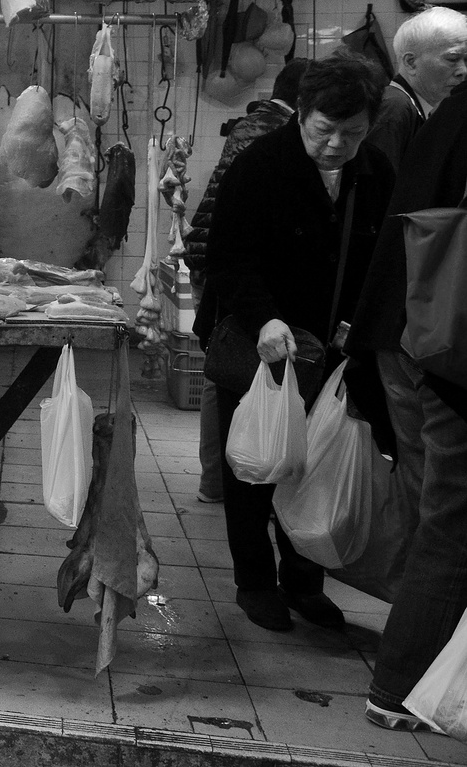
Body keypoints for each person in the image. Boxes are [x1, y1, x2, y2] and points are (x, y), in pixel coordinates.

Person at [199, 55, 394, 633]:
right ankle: (254, 582)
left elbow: (383, 263)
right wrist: (263, 319)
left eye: (352, 133)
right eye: (323, 130)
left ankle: (304, 581)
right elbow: (229, 256)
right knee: (254, 466)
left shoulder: (376, 171)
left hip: (333, 350)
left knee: (313, 464)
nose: (336, 144)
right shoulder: (259, 165)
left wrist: (364, 327)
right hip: (263, 345)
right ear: (302, 114)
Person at [349, 82, 467, 731]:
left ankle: (410, 662)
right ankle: (404, 684)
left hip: (415, 330)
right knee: (450, 517)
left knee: (434, 508)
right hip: (447, 346)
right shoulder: (411, 112)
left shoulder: (449, 111)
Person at [184, 58, 310, 504]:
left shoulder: (252, 125)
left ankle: (227, 477)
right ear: (304, 102)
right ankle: (219, 481)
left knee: (227, 367)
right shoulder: (270, 136)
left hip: (213, 257)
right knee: (226, 367)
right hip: (226, 266)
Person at [364, 5, 467, 172]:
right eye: (452, 59)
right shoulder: (394, 108)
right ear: (411, 62)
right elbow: (379, 190)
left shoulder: (416, 107)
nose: (463, 71)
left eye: (466, 60)